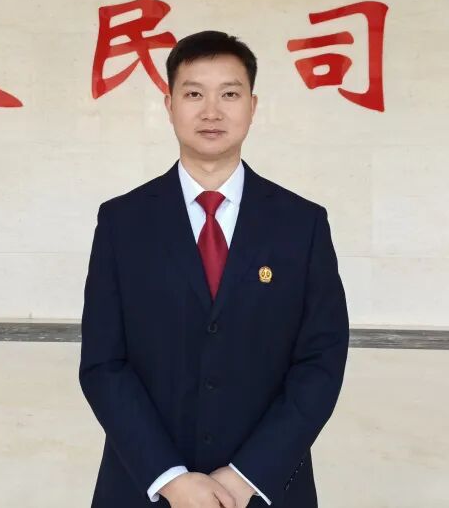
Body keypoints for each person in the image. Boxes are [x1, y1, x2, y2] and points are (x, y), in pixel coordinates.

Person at [79, 30, 350, 508]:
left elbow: (321, 362)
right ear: (169, 106)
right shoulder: (123, 222)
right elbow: (104, 364)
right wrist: (170, 478)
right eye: (193, 94)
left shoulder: (301, 224)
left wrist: (249, 475)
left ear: (252, 106)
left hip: (265, 489)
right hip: (144, 487)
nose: (211, 111)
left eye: (229, 94)